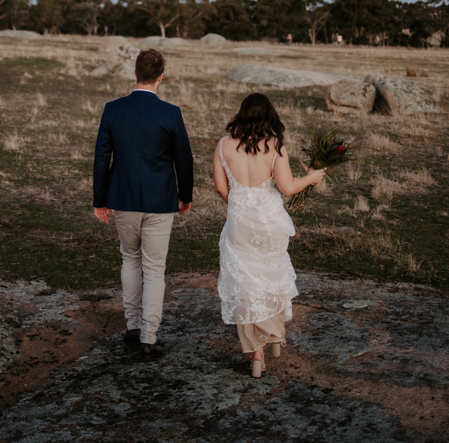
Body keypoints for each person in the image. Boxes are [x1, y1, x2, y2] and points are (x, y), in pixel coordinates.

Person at [213, 92, 325, 378]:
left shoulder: (223, 145)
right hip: (270, 222)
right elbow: (287, 188)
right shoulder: (275, 146)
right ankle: (274, 338)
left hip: (240, 221)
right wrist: (311, 177)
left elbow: (221, 189)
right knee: (271, 276)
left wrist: (240, 205)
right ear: (268, 116)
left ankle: (257, 353)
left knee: (247, 283)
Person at [93, 48, 194, 361]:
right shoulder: (170, 113)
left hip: (122, 198)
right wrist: (185, 195)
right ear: (160, 77)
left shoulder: (113, 109)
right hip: (161, 201)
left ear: (134, 73)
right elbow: (184, 159)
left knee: (130, 260)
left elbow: (101, 157)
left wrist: (100, 200)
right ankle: (148, 336)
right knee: (154, 268)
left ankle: (133, 327)